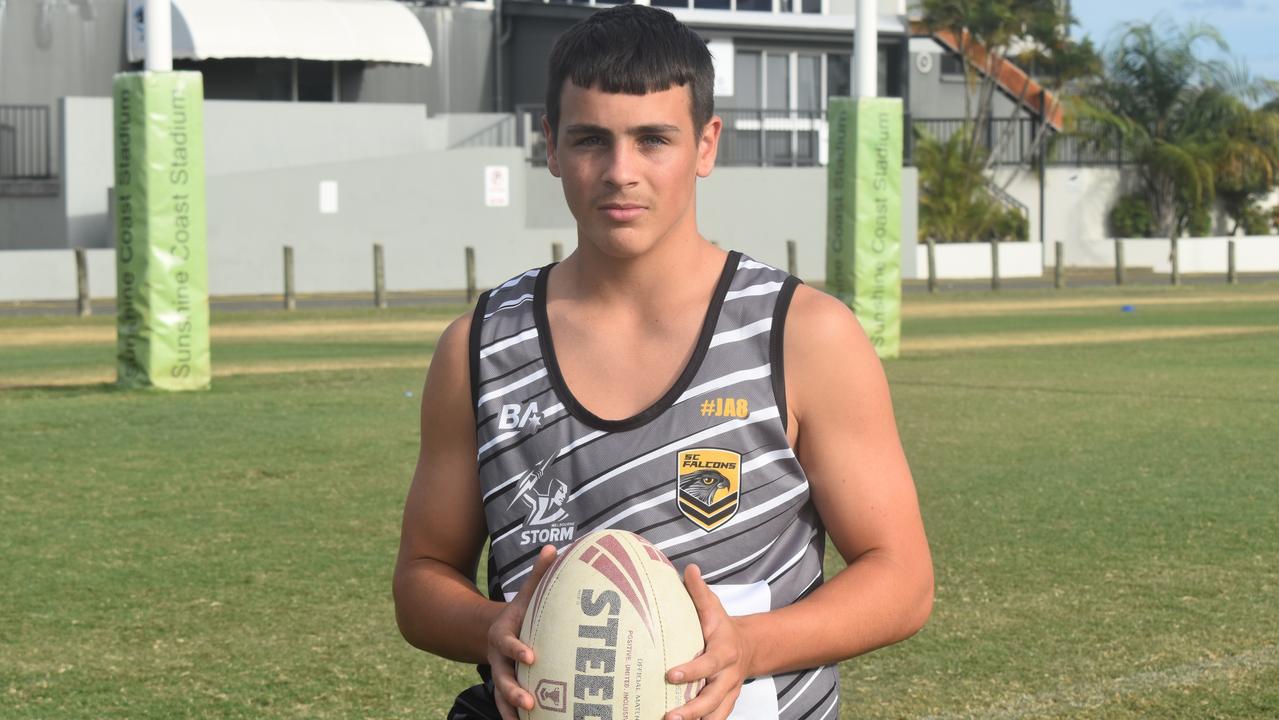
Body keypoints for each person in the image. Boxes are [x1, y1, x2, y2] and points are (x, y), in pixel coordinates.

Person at [392, 6, 933, 720]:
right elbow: (422, 576)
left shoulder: (803, 335)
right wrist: (486, 627)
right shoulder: (480, 347)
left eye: (653, 140)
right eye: (590, 140)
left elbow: (901, 579)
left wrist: (747, 646)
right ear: (550, 146)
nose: (621, 172)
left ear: (705, 145)